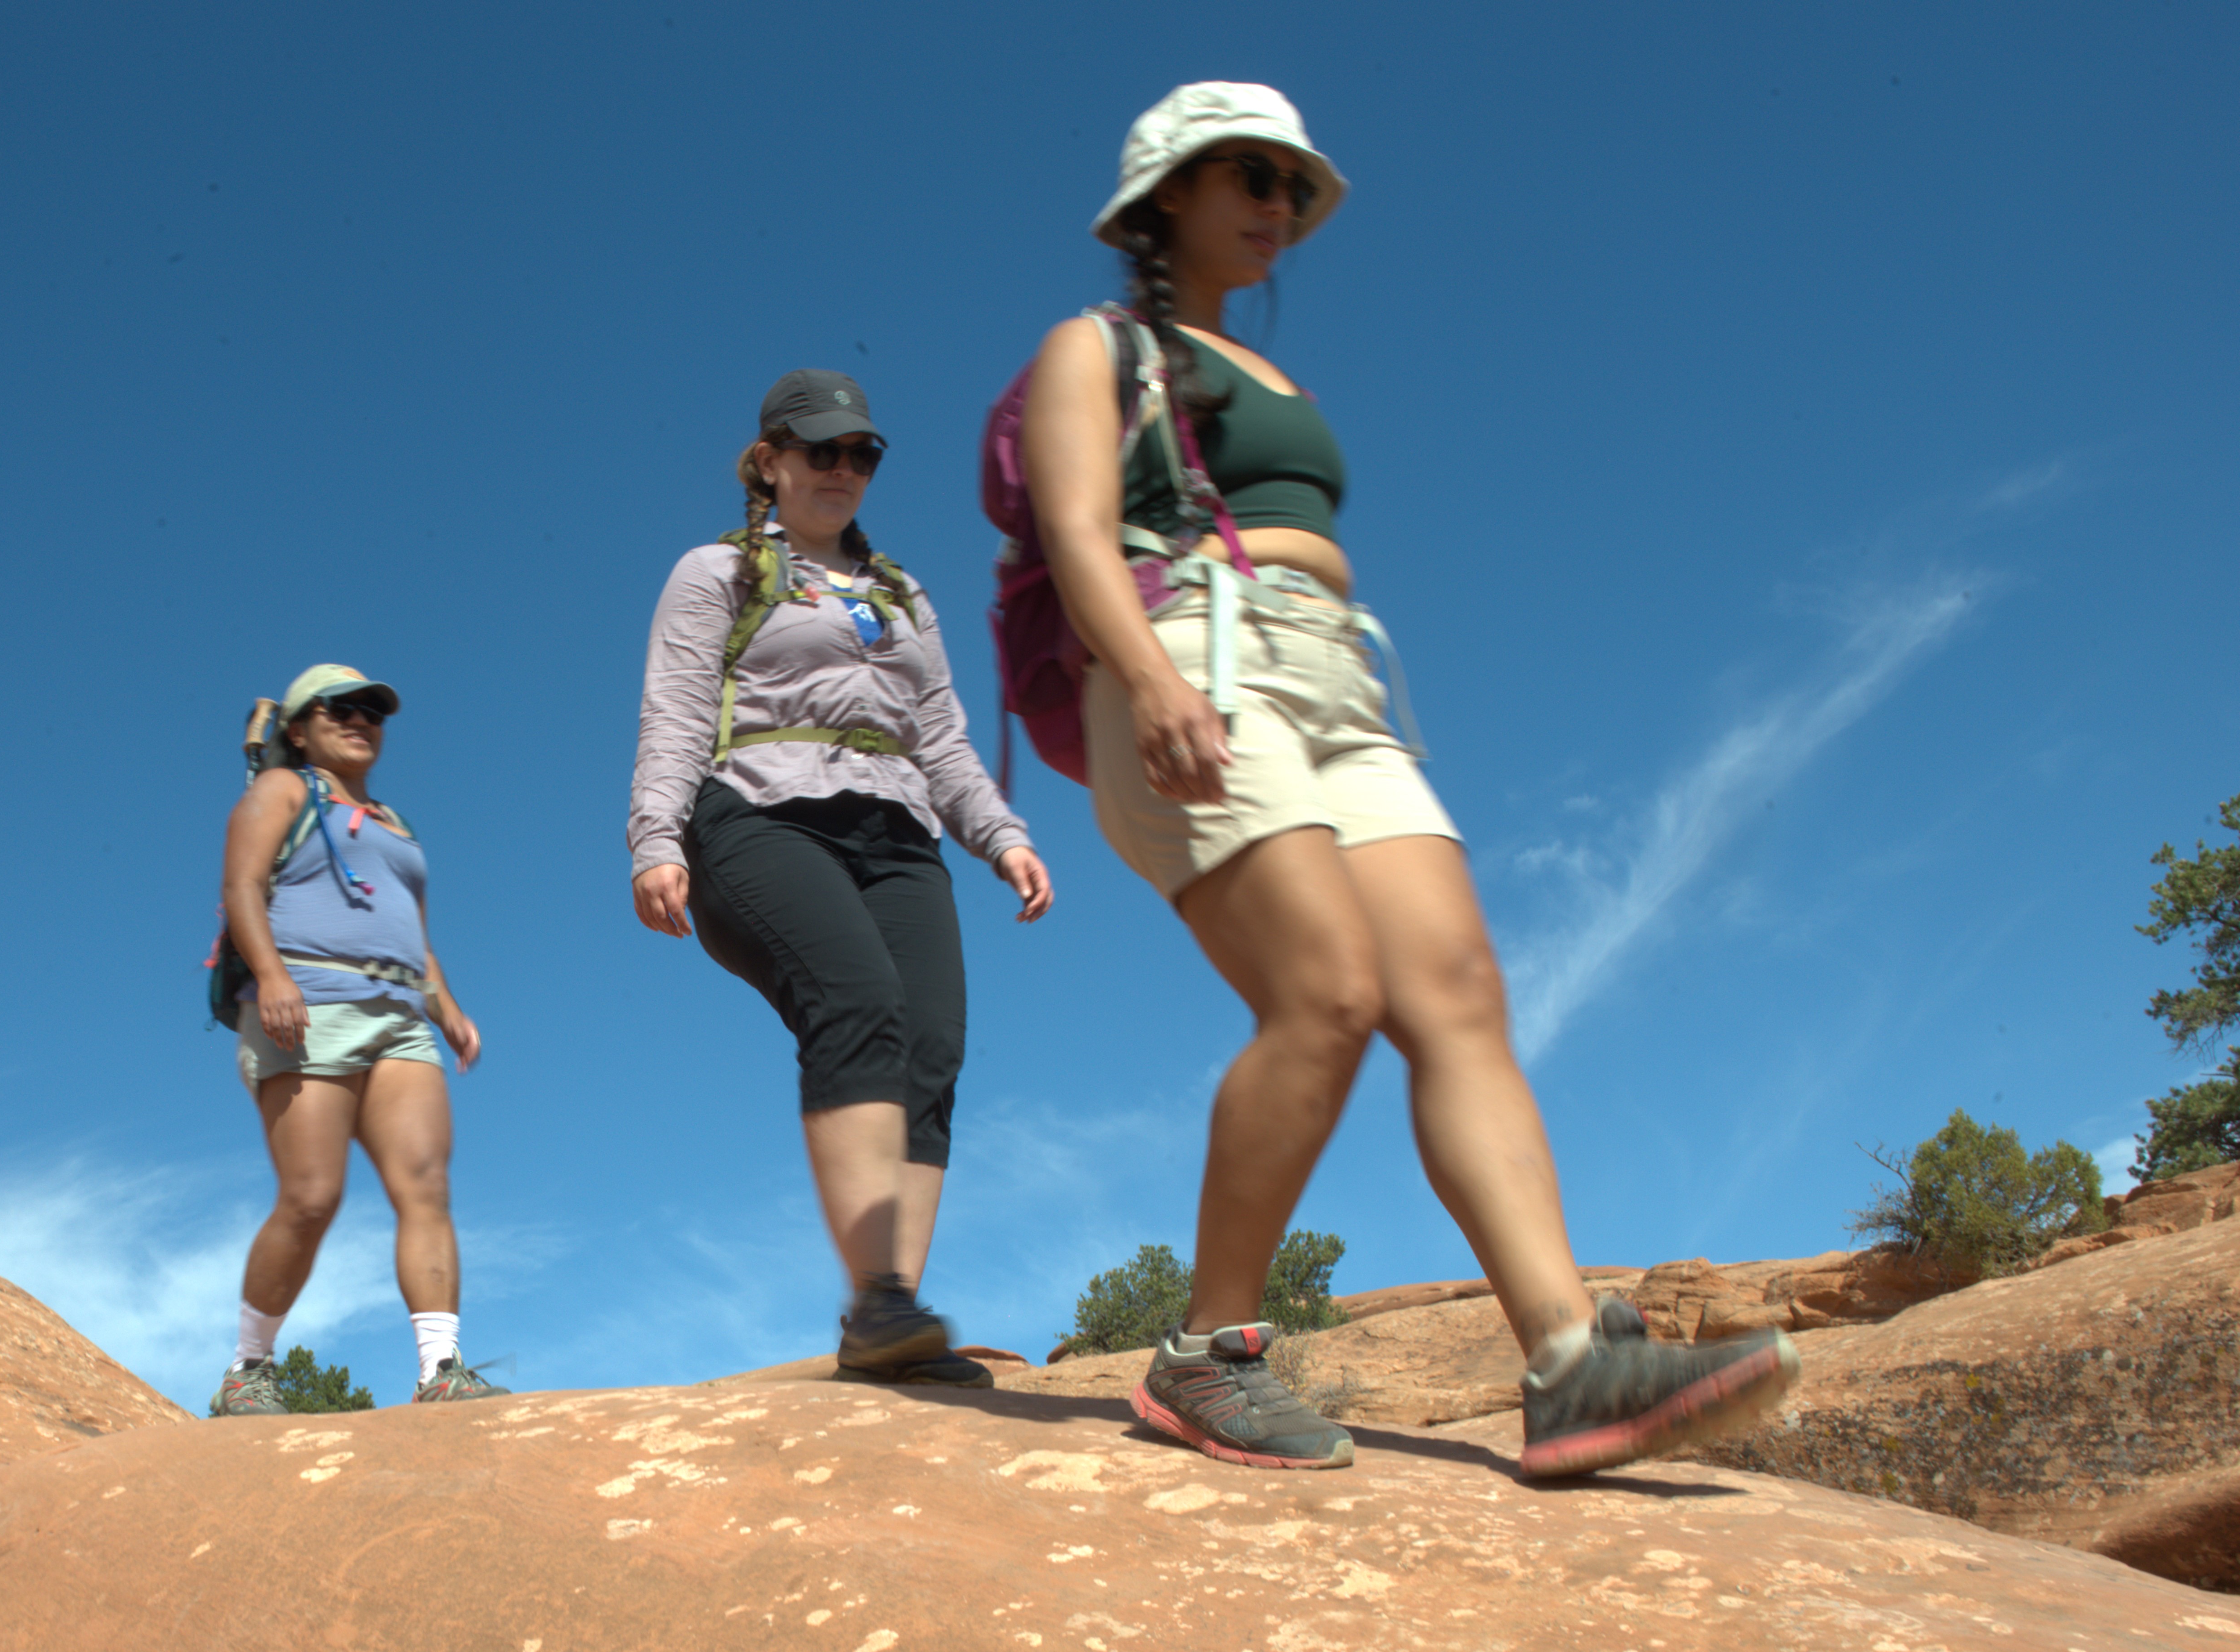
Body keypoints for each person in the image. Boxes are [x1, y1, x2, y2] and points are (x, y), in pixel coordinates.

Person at [1017, 83, 1795, 1477]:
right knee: (1325, 994)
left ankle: (1569, 1362)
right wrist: (1146, 679)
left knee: (1458, 996)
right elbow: (1077, 526)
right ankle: (1206, 1356)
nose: (1274, 205)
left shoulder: (1275, 379)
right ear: (1162, 201)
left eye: (1288, 186)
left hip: (1336, 681)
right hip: (1195, 658)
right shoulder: (1096, 346)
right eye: (1245, 176)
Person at [631, 371, 1055, 1384]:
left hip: (898, 826)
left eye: (860, 453)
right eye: (819, 449)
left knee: (933, 1042)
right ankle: (877, 1302)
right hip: (761, 812)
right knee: (857, 999)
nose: (841, 468)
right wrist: (656, 838)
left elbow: (942, 739)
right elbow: (678, 710)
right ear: (768, 459)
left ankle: (894, 1319)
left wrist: (1000, 836)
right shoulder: (717, 571)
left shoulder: (901, 595)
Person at [210, 664, 506, 1414]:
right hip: (308, 1003)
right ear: (299, 730)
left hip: (398, 1015)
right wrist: (273, 978)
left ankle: (441, 1370)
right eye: (338, 709)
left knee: (426, 1188)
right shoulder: (283, 792)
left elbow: (413, 932)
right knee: (311, 1197)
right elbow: (242, 886)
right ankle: (249, 1368)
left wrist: (448, 1009)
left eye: (373, 710)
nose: (360, 719)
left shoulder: (394, 822)